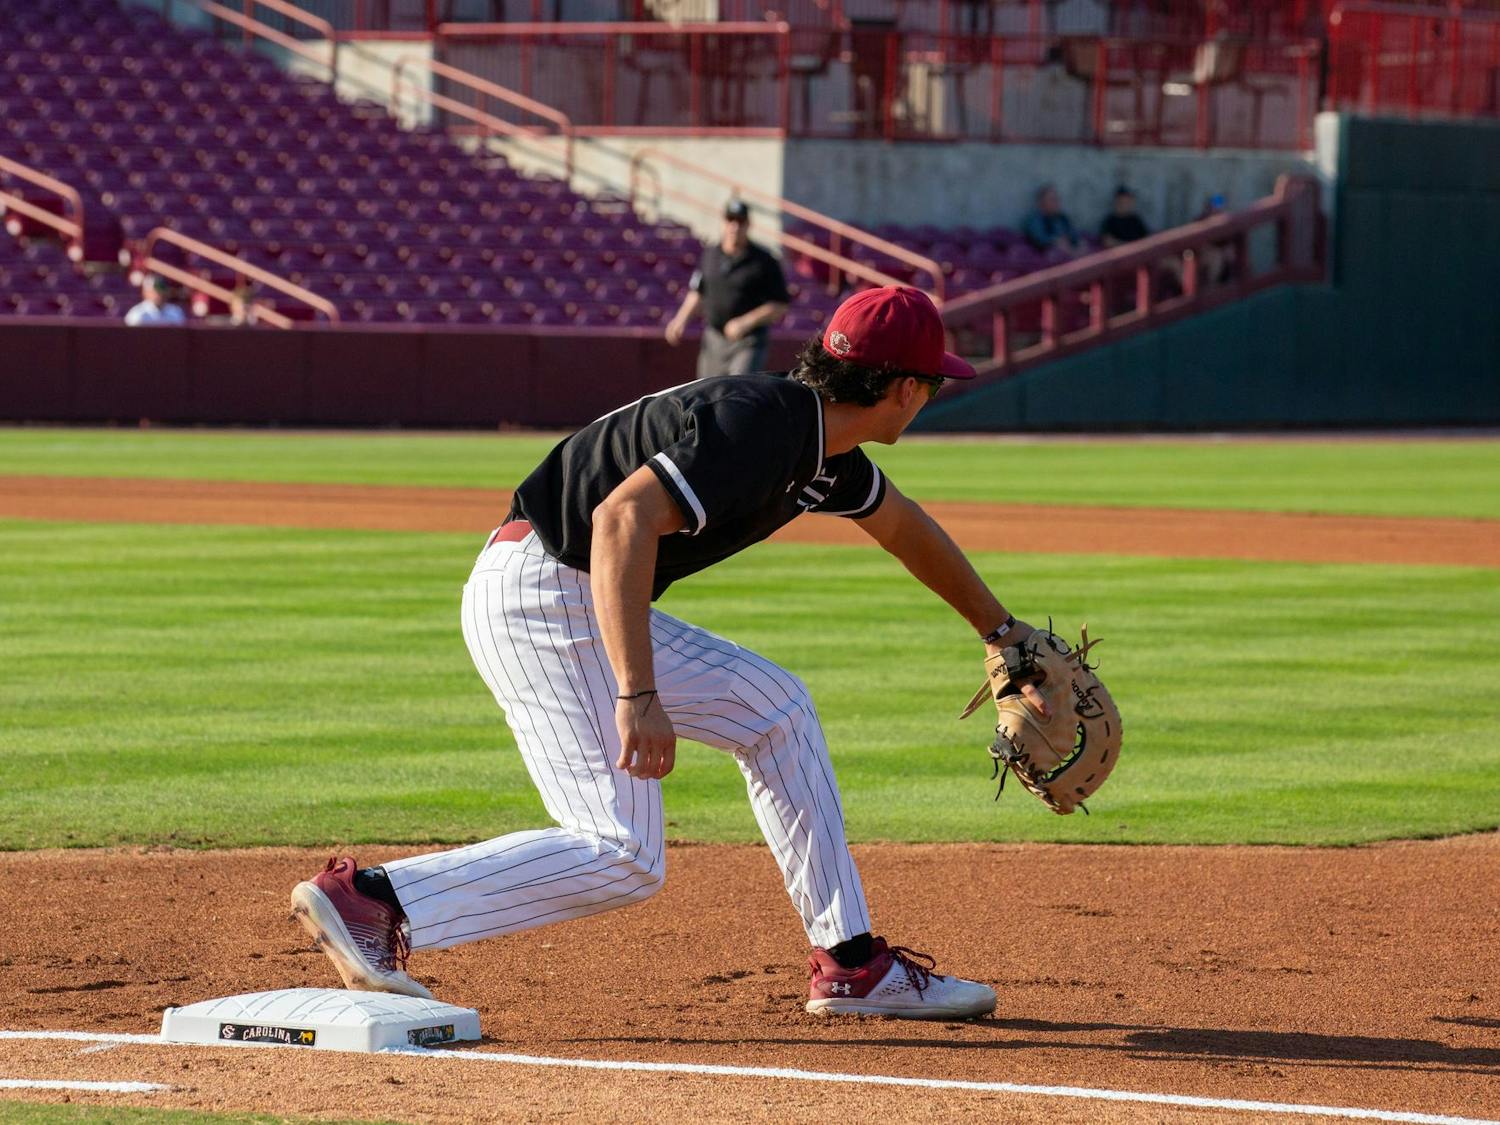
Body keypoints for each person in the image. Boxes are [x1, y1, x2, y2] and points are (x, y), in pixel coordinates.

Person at [291, 285, 1052, 1020]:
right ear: (905, 389)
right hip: (546, 593)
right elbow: (621, 519)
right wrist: (637, 692)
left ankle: (850, 962)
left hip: (565, 588)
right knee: (623, 849)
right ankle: (376, 899)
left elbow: (903, 526)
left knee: (776, 710)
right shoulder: (765, 425)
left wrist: (1001, 630)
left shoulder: (814, 442)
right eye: (931, 383)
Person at [665, 199, 789, 379]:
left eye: (740, 221)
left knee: (738, 389)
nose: (734, 226)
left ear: (748, 225)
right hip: (714, 337)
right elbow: (698, 291)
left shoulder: (764, 260)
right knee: (708, 391)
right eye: (730, 220)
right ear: (723, 222)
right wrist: (681, 319)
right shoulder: (710, 254)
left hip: (747, 341)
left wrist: (746, 321)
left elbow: (780, 305)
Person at [1021, 184, 1084, 257]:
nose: (1056, 203)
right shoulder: (1034, 220)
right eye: (1052, 200)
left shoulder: (1062, 218)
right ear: (1041, 203)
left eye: (1057, 199)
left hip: (1070, 250)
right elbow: (1040, 240)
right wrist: (1056, 241)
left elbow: (1074, 234)